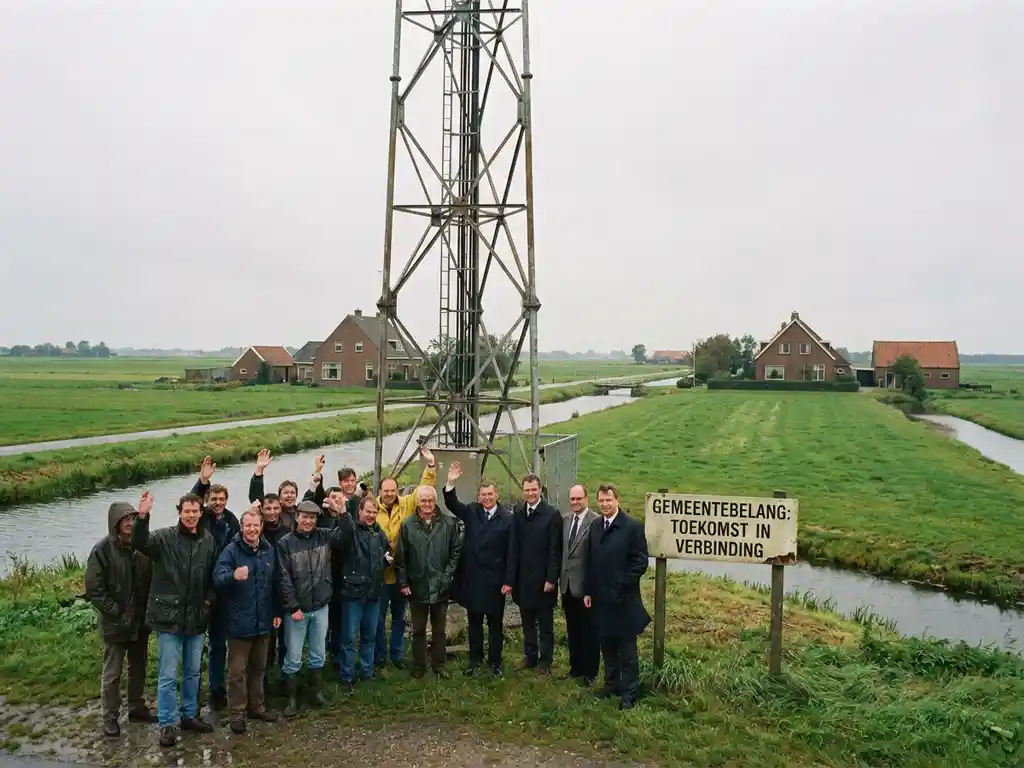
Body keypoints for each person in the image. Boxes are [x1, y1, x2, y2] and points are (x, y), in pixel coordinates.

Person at [131, 492, 218, 747]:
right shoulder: (163, 537)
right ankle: (167, 723)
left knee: (192, 671)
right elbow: (140, 541)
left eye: (195, 511)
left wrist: (208, 601)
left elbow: (215, 574)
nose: (191, 516)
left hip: (197, 618)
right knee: (168, 675)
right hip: (168, 618)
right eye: (187, 511)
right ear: (180, 512)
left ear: (201, 513)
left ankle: (189, 716)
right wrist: (143, 515)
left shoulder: (208, 541)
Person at [84, 494, 156, 737]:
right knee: (112, 673)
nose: (129, 522)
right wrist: (116, 612)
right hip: (115, 624)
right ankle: (110, 717)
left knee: (139, 668)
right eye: (124, 518)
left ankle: (136, 707)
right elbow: (94, 589)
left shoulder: (142, 548)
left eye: (133, 517)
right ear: (115, 522)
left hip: (140, 622)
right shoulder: (102, 550)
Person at [276, 500, 354, 716]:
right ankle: (291, 700)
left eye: (312, 517)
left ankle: (315, 694)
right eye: (304, 516)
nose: (308, 521)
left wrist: (343, 512)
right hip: (297, 610)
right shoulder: (285, 543)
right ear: (297, 517)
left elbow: (346, 535)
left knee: (318, 654)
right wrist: (292, 607)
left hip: (321, 605)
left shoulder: (324, 535)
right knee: (293, 657)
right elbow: (283, 579)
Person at [213, 504, 282, 734]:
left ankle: (257, 707)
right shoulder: (231, 551)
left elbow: (275, 584)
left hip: (263, 622)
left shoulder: (268, 549)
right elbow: (217, 579)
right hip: (238, 624)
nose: (252, 529)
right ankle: (237, 715)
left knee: (259, 668)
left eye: (256, 525)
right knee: (236, 673)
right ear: (241, 528)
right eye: (248, 525)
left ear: (261, 527)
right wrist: (233, 575)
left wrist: (276, 612)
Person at [582, 484, 651, 710]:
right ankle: (612, 684)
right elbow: (589, 561)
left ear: (617, 500)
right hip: (600, 599)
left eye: (608, 500)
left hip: (623, 600)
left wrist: (622, 584)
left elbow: (640, 561)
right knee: (607, 646)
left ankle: (630, 693)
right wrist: (588, 591)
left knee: (627, 650)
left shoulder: (632, 527)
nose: (604, 504)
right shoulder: (595, 526)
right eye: (601, 501)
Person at [442, 461, 513, 677]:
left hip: (495, 581)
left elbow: (512, 553)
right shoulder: (472, 511)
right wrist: (450, 482)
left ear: (496, 494)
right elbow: (453, 504)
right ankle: (475, 660)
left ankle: (495, 663)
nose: (486, 498)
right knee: (474, 623)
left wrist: (508, 581)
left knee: (494, 624)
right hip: (473, 579)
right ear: (479, 496)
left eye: (490, 494)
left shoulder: (508, 519)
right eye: (483, 494)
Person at [373, 443, 437, 672]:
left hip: (401, 575)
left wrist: (430, 465)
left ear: (397, 491)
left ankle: (397, 655)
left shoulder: (407, 504)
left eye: (393, 490)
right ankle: (379, 657)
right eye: (385, 490)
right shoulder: (373, 509)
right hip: (379, 576)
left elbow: (424, 489)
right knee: (378, 621)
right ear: (380, 491)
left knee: (399, 618)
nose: (389, 494)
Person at [395, 485, 462, 679]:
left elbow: (456, 552)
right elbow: (401, 557)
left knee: (439, 629)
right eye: (423, 500)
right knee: (418, 630)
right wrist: (404, 583)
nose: (427, 504)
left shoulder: (448, 524)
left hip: (440, 586)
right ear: (418, 501)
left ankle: (439, 664)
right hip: (417, 585)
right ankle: (419, 666)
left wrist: (447, 575)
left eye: (430, 500)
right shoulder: (408, 525)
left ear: (435, 501)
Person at [189, 456, 241, 711]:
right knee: (196, 646)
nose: (218, 503)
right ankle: (193, 691)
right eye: (214, 499)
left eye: (222, 499)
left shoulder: (232, 521)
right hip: (200, 589)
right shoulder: (201, 518)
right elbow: (189, 503)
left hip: (225, 590)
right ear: (208, 500)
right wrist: (202, 481)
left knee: (220, 644)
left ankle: (217, 690)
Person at [507, 473, 562, 674]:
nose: (530, 493)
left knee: (545, 623)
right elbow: (514, 546)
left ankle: (545, 660)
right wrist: (511, 578)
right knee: (527, 621)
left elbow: (555, 550)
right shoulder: (519, 512)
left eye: (534, 489)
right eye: (527, 490)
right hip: (523, 579)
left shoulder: (551, 514)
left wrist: (551, 578)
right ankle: (530, 656)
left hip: (543, 579)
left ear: (540, 490)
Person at [338, 495, 391, 692]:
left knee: (369, 636)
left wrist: (386, 561)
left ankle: (367, 673)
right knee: (349, 638)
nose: (371, 515)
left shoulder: (379, 534)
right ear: (359, 511)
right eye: (368, 511)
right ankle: (347, 677)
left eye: (374, 512)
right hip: (353, 593)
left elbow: (387, 553)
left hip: (374, 593)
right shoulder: (350, 532)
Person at [559, 484, 600, 685]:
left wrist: (590, 588)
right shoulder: (565, 520)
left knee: (589, 631)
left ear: (586, 498)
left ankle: (590, 672)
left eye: (579, 499)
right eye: (572, 499)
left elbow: (595, 558)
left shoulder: (596, 521)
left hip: (585, 589)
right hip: (566, 586)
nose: (575, 502)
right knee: (573, 629)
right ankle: (575, 668)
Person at [247, 448, 297, 531]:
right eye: (268, 509)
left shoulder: (298, 513)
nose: (272, 512)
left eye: (292, 493)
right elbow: (256, 496)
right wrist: (259, 470)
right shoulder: (262, 520)